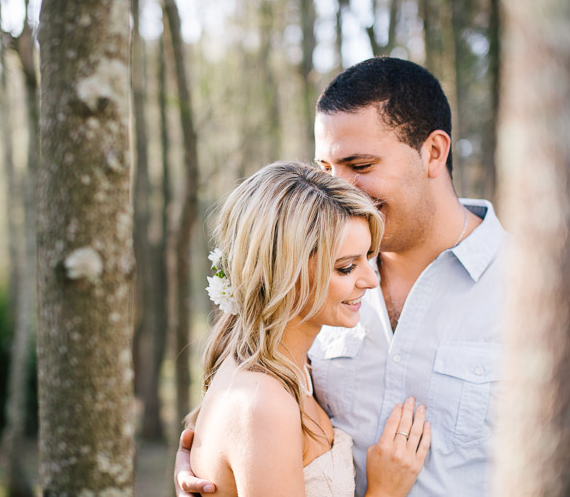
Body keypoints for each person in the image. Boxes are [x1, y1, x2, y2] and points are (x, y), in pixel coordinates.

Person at [177, 57, 508, 496]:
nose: (342, 190)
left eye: (361, 165)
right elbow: (255, 404)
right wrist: (203, 461)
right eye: (328, 169)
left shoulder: (531, 292)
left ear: (433, 152)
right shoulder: (317, 280)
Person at [184, 161, 432, 496]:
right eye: (346, 268)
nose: (371, 280)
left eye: (368, 259)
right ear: (286, 272)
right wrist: (385, 490)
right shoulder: (262, 404)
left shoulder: (294, 368)